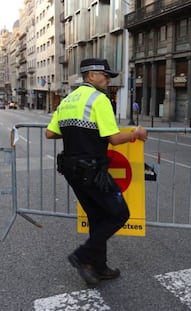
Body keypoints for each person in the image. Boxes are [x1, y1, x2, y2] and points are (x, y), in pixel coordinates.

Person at [45, 58, 148, 285]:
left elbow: (50, 134)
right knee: (120, 214)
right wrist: (136, 134)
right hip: (91, 170)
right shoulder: (99, 99)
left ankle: (98, 267)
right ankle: (83, 256)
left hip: (71, 169)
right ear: (91, 75)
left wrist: (76, 133)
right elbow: (113, 138)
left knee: (97, 216)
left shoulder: (67, 99)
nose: (108, 79)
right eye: (105, 75)